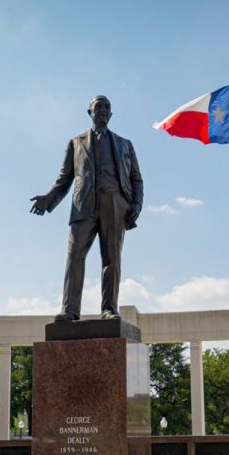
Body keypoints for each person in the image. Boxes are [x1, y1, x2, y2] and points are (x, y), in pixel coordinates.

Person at [30, 95, 144, 322]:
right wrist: (48, 198)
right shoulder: (76, 143)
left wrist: (137, 204)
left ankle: (110, 309)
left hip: (115, 205)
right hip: (83, 205)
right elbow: (64, 178)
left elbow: (137, 179)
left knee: (112, 259)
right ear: (90, 112)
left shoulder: (125, 144)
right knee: (74, 256)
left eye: (107, 107)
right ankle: (70, 310)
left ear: (111, 115)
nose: (103, 110)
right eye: (98, 107)